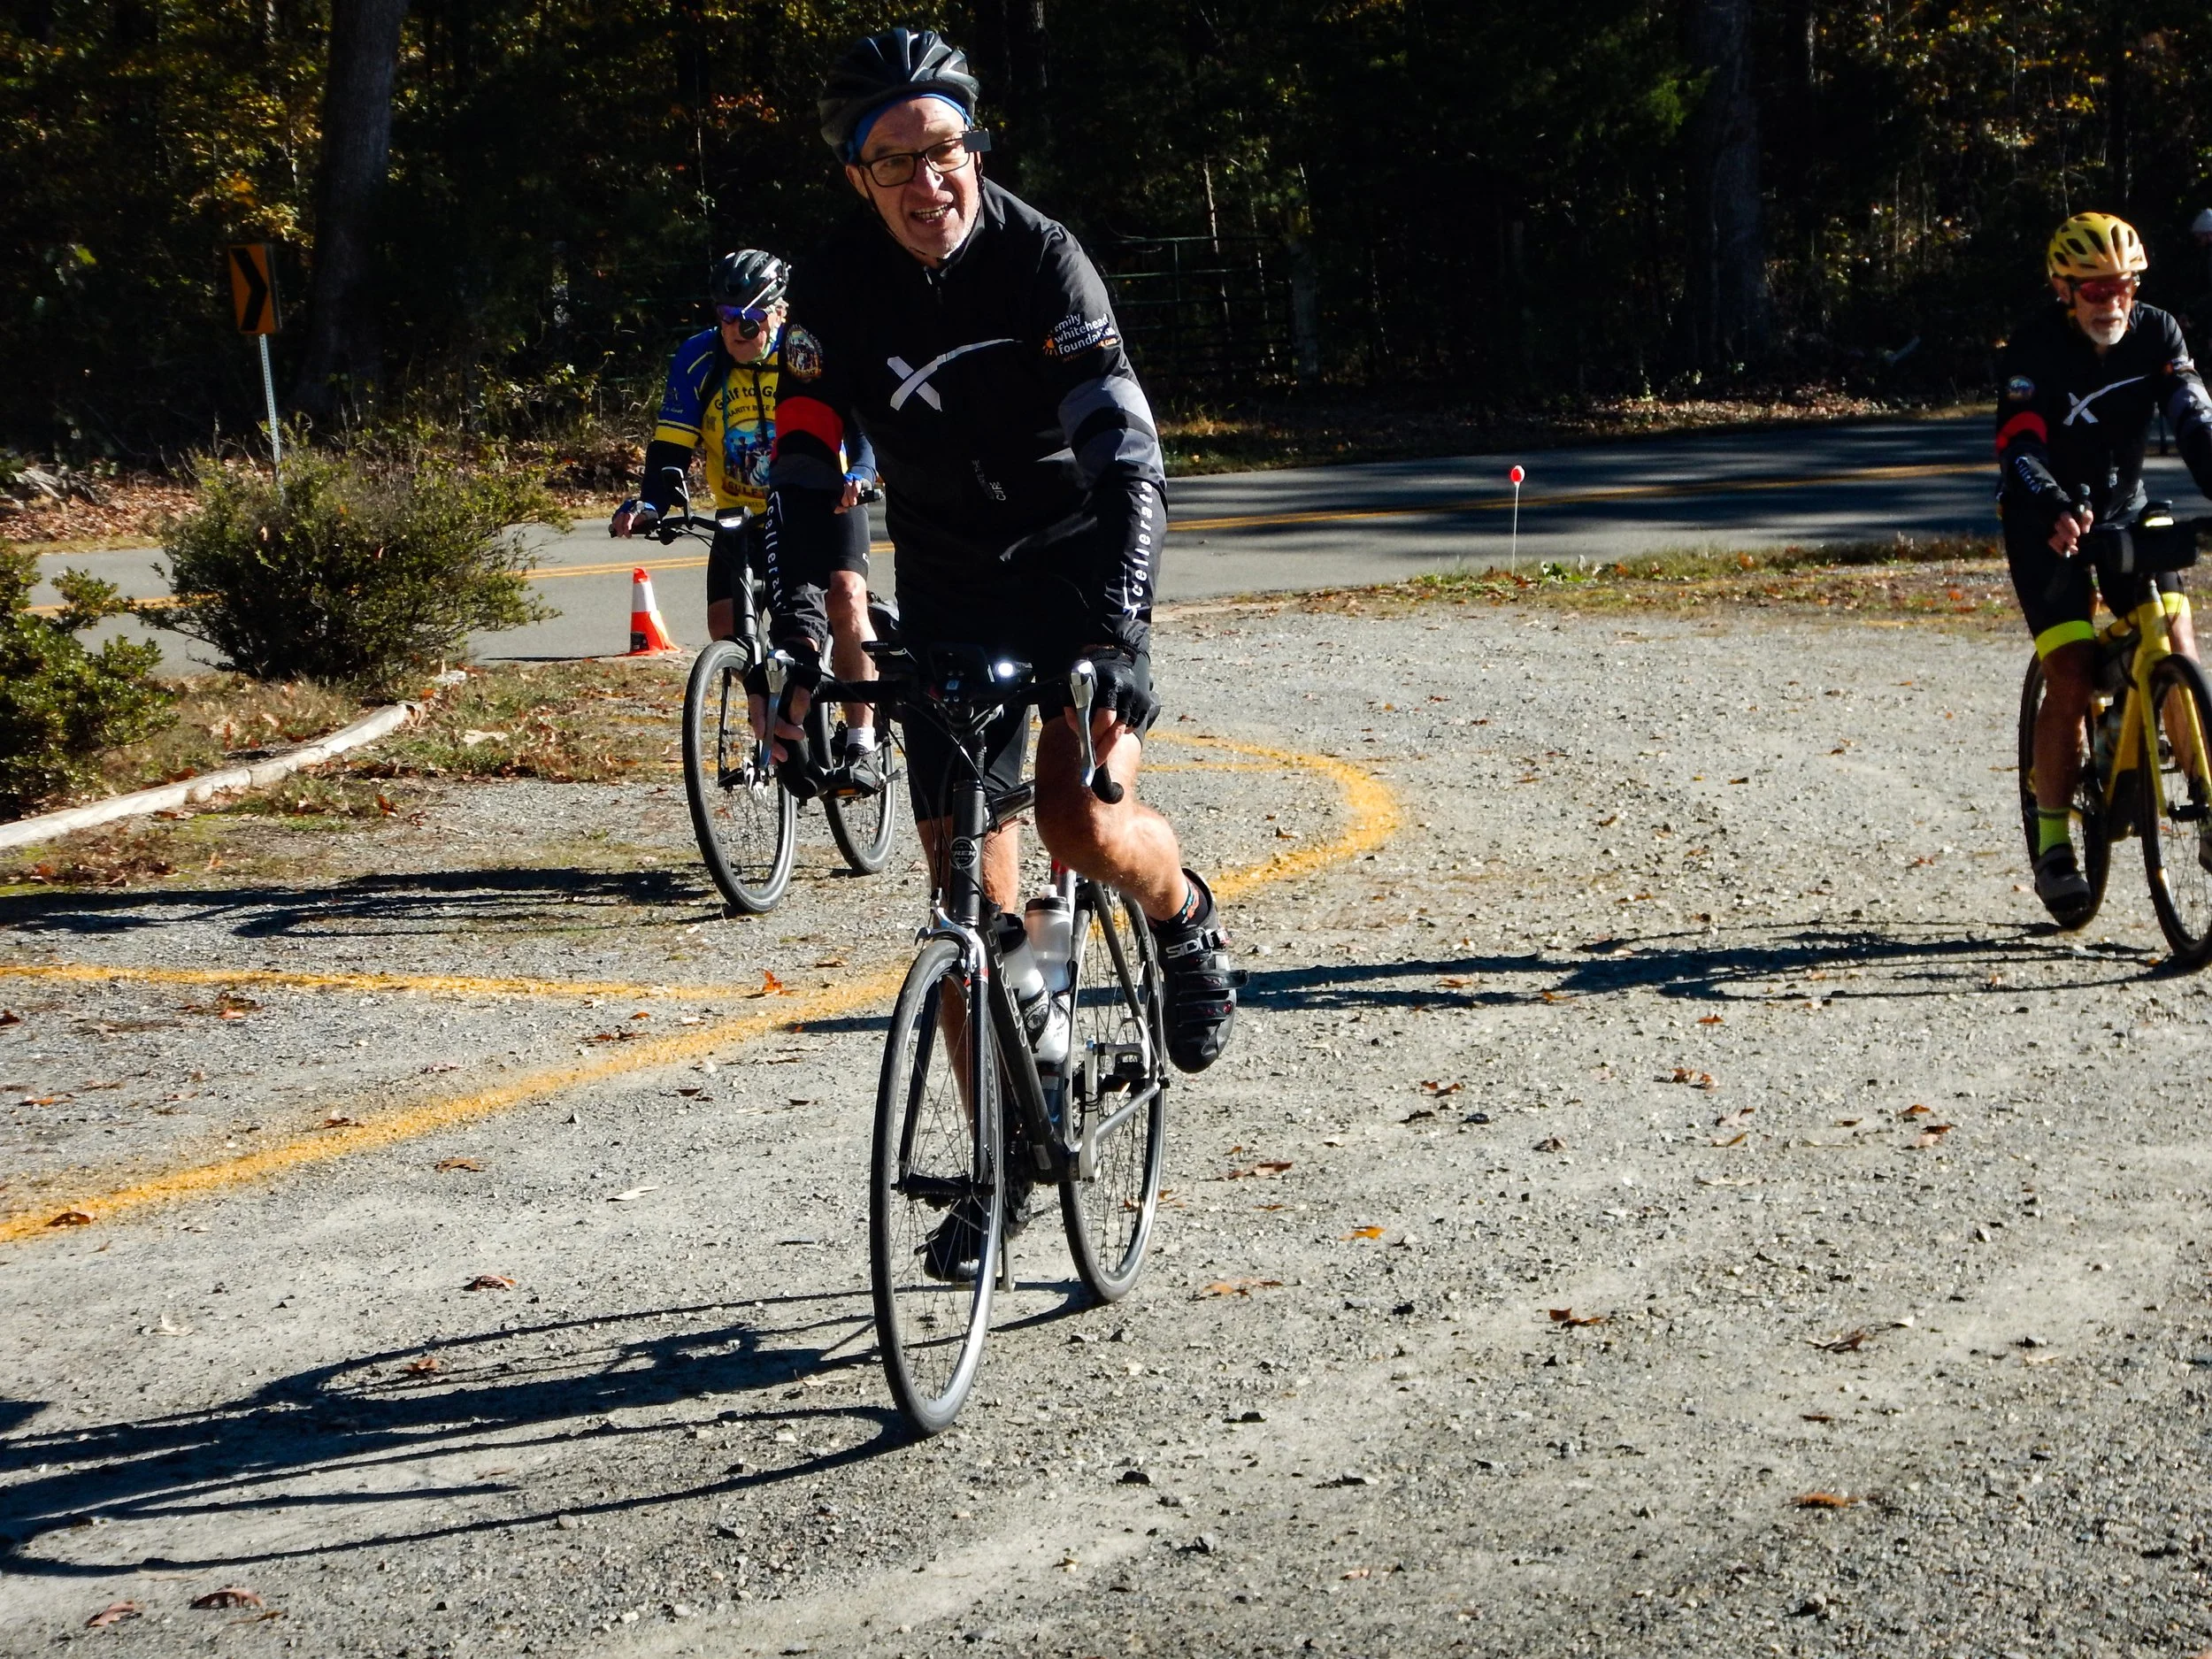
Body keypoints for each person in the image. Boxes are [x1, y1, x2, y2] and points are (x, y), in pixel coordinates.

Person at [764, 28, 1242, 1157]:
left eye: (944, 148)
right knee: (965, 911)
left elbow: (1127, 460)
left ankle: (1183, 919)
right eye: (892, 160)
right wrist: (797, 632)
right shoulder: (831, 285)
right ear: (855, 174)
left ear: (974, 145)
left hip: (1078, 568)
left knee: (1078, 823)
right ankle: (1006, 1164)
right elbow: (803, 468)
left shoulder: (1043, 260)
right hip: (949, 586)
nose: (926, 181)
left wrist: (1120, 630)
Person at [1995, 211, 2212, 922]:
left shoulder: (2158, 332)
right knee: (2072, 672)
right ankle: (2056, 839)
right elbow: (2020, 443)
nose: (2110, 302)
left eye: (2121, 286)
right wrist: (2054, 505)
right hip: (2042, 516)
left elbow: (2192, 414)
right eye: (2093, 289)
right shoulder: (2032, 344)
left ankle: (2208, 811)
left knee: (2177, 643)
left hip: (2126, 506)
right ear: (2064, 289)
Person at [611, 250, 883, 786]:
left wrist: (865, 470)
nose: (738, 328)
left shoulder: (807, 351)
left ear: (779, 312)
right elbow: (670, 445)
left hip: (826, 500)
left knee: (846, 597)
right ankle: (778, 737)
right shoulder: (698, 358)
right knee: (724, 627)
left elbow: (857, 422)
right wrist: (650, 502)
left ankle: (861, 743)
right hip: (742, 512)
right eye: (726, 316)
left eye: (751, 317)